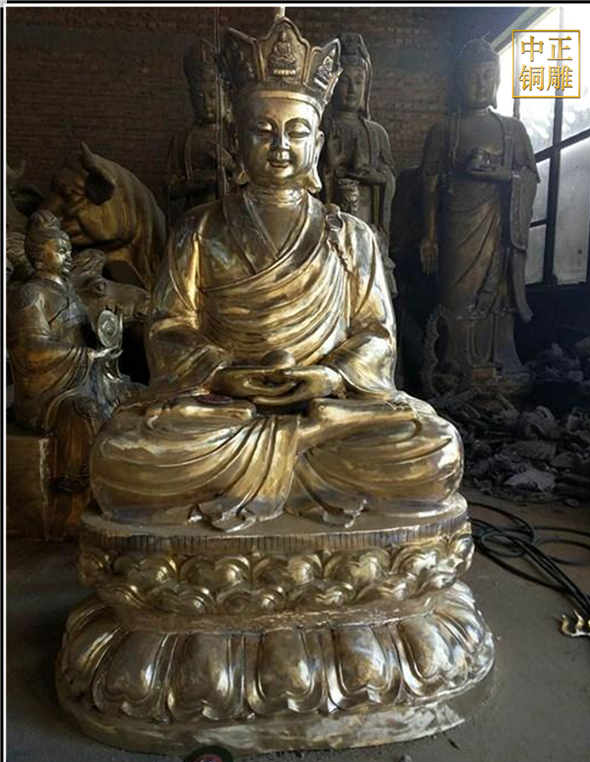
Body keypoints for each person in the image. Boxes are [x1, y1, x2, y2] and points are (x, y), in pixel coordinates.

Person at [90, 17, 463, 532]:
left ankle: (293, 448)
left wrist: (331, 376)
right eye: (262, 131)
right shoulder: (199, 228)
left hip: (325, 406)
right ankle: (298, 452)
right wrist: (223, 374)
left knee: (437, 447)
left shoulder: (352, 235)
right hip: (226, 407)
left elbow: (376, 334)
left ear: (318, 142)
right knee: (122, 454)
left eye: (297, 131)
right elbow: (169, 328)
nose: (280, 145)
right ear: (236, 138)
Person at [420, 38, 539, 391]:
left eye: (488, 76)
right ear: (458, 82)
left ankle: (496, 362)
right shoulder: (444, 130)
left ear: (498, 81)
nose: (481, 84)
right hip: (456, 227)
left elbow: (529, 176)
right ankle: (452, 363)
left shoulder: (512, 130)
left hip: (499, 226)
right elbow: (428, 184)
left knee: (495, 297)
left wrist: (501, 175)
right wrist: (429, 236)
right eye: (473, 77)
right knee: (455, 297)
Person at [7, 211, 129, 493]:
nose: (69, 257)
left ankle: (130, 471)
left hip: (87, 379)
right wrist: (87, 355)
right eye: (61, 250)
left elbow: (86, 335)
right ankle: (81, 483)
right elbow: (29, 350)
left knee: (132, 396)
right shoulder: (30, 295)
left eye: (69, 250)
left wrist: (107, 336)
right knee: (85, 412)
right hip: (50, 392)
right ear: (39, 257)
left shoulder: (69, 292)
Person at [321, 32, 397, 295]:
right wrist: (329, 166)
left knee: (366, 290)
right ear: (332, 84)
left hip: (367, 225)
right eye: (344, 81)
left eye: (359, 81)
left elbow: (389, 179)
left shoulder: (376, 133)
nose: (352, 90)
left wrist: (375, 177)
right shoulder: (320, 128)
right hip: (328, 228)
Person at [164, 39, 234, 223]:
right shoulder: (183, 139)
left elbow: (256, 180)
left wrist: (229, 165)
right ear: (191, 98)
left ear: (225, 95)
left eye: (212, 96)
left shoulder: (237, 135)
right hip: (195, 216)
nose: (206, 103)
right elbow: (169, 188)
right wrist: (191, 184)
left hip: (231, 218)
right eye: (199, 97)